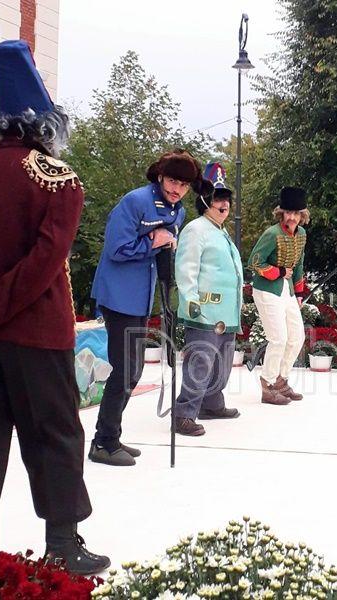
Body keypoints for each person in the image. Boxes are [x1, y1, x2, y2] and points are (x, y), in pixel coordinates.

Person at [0, 40, 109, 573]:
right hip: (36, 333)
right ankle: (63, 545)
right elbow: (46, 262)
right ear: (47, 127)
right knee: (53, 436)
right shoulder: (58, 180)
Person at [88, 150, 199, 465]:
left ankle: (111, 435)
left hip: (141, 296)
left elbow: (164, 242)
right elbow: (116, 248)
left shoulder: (177, 211)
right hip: (118, 295)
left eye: (184, 184)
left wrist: (166, 244)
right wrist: (153, 241)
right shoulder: (135, 201)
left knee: (133, 371)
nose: (177, 189)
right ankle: (103, 443)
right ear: (161, 177)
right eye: (173, 181)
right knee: (125, 370)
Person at [173, 163, 243, 436]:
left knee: (221, 364)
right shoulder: (196, 229)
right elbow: (186, 269)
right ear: (204, 201)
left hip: (226, 312)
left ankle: (212, 404)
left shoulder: (220, 232)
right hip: (204, 311)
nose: (224, 204)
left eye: (226, 198)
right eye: (217, 198)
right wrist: (190, 300)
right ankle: (184, 414)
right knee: (200, 362)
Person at [248, 187, 309, 405]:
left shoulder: (302, 235)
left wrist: (299, 293)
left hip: (288, 291)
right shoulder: (272, 234)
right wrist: (280, 272)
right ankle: (267, 384)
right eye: (288, 212)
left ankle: (281, 381)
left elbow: (299, 264)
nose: (292, 217)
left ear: (302, 215)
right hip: (266, 290)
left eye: (296, 213)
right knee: (278, 338)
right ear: (281, 213)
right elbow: (254, 262)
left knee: (297, 336)